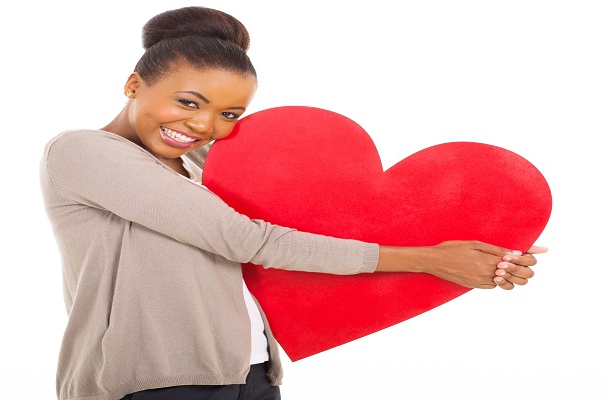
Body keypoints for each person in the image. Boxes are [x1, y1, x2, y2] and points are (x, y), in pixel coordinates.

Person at [39, 6, 547, 400]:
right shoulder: (84, 152)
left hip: (252, 371)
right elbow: (244, 239)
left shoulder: (200, 164)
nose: (203, 125)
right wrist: (432, 259)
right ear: (133, 85)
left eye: (229, 114)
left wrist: (485, 249)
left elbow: (314, 233)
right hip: (151, 381)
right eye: (189, 102)